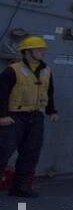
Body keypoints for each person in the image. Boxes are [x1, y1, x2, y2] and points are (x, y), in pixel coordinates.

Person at [0, 36, 58, 198]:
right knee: (3, 151)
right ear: (27, 52)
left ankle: (21, 187)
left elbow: (49, 92)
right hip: (14, 117)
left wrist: (52, 111)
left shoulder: (47, 70)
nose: (43, 52)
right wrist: (2, 115)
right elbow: (1, 94)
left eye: (43, 49)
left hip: (36, 117)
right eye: (39, 49)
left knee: (31, 153)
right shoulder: (13, 70)